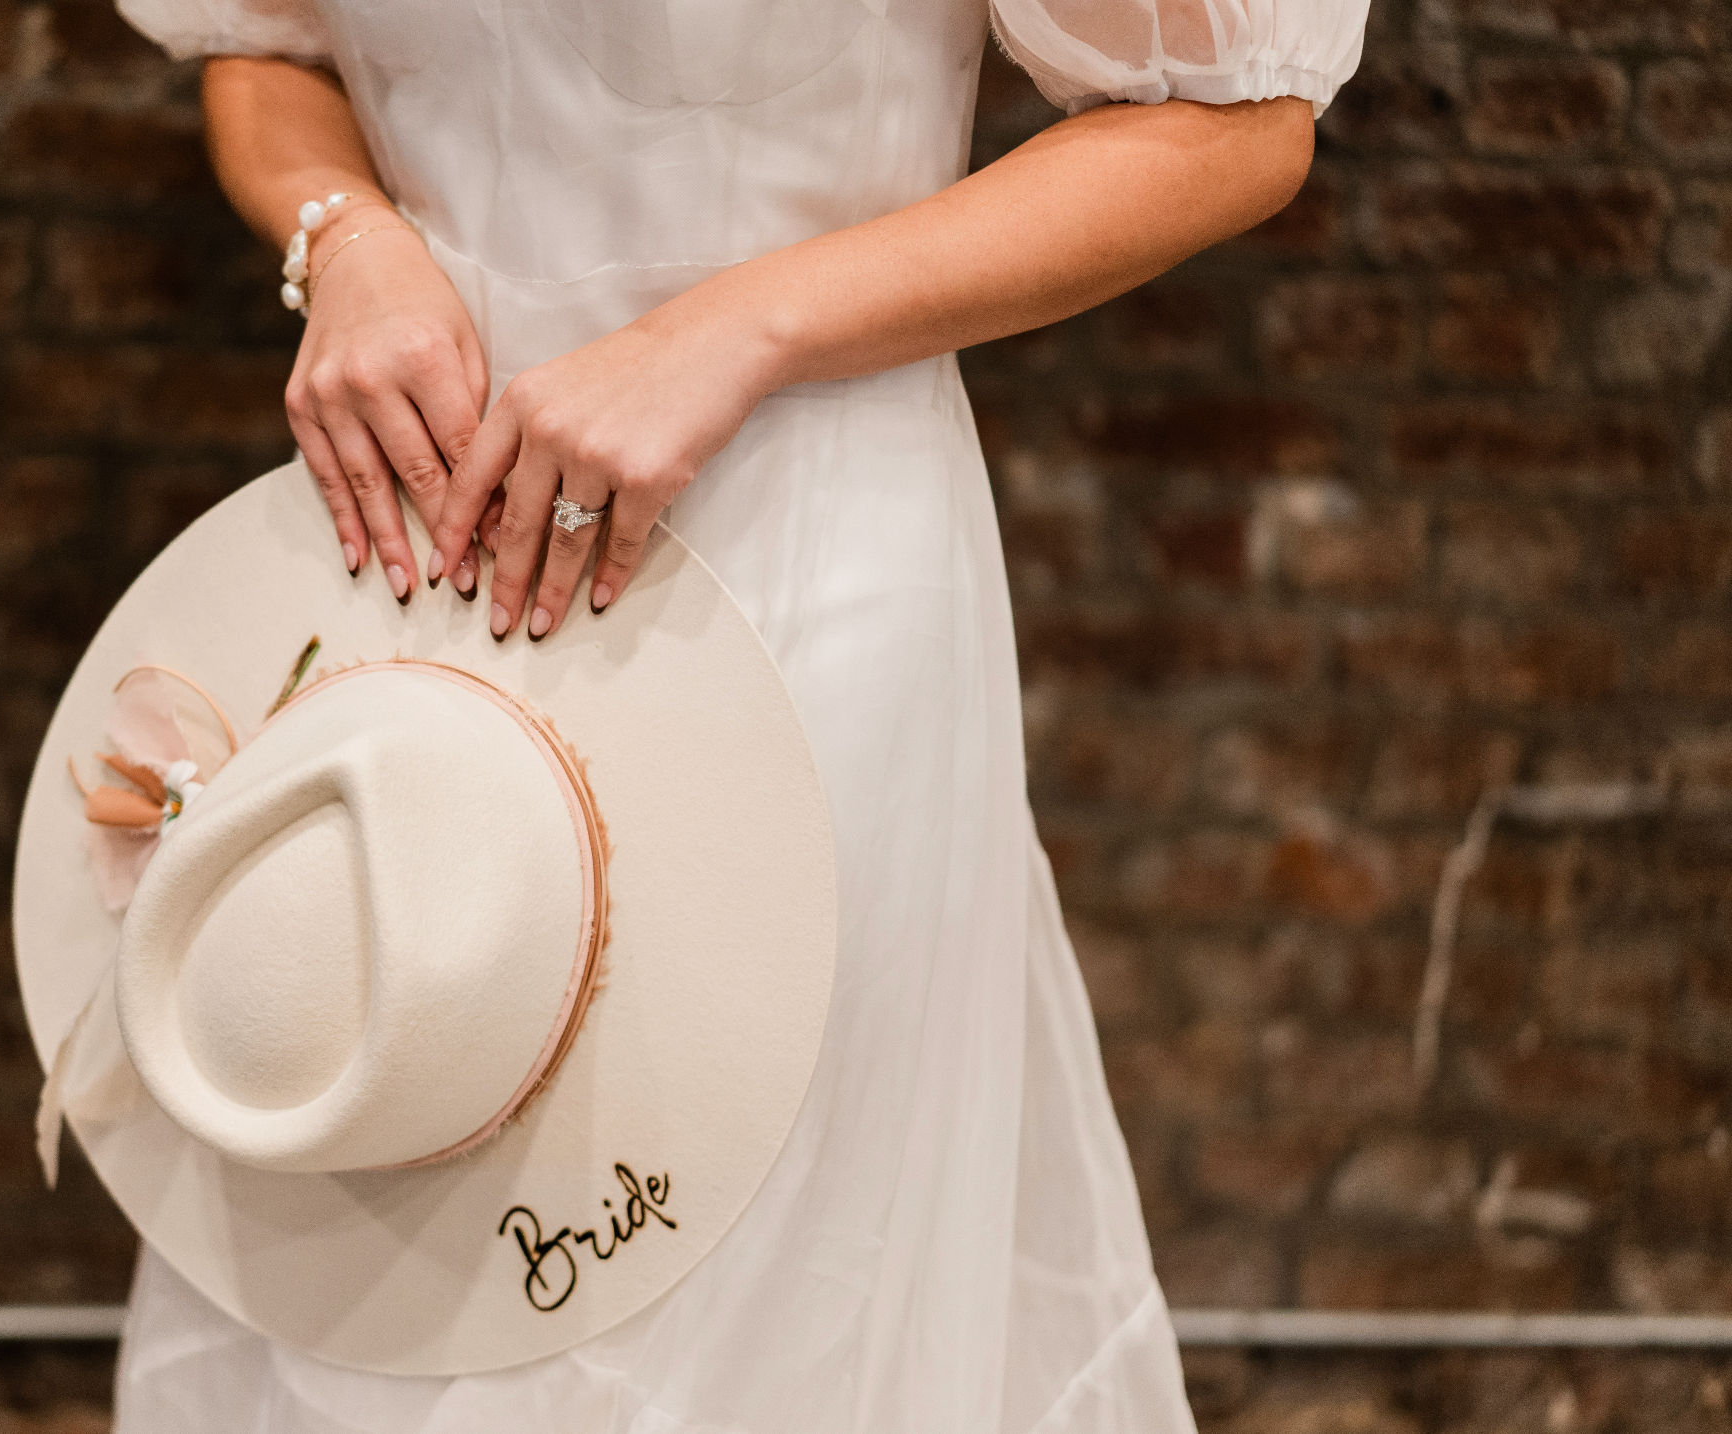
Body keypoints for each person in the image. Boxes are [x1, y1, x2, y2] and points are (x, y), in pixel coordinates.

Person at [106, 0, 1368, 1427]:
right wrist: (344, 235)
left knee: (738, 1294)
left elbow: (1235, 122)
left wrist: (736, 326)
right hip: (410, 569)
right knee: (363, 1203)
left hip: (795, 572)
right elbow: (268, 43)